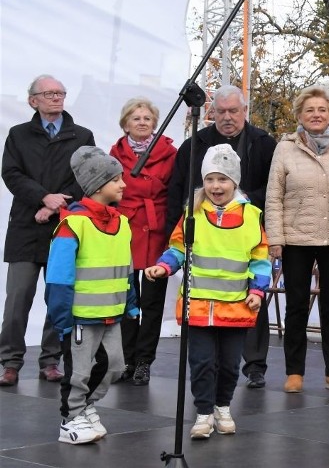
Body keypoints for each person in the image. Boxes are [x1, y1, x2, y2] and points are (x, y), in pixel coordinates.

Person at [146, 144, 271, 440]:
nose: (216, 186)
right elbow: (177, 248)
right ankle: (203, 413)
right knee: (201, 363)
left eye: (223, 179)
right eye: (211, 179)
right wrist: (164, 267)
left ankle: (222, 407)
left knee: (229, 365)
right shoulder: (193, 214)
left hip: (236, 307)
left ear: (234, 182)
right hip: (198, 306)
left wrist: (257, 290)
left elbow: (260, 258)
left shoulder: (251, 216)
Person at [166, 85, 276, 389]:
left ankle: (255, 365)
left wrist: (241, 200)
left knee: (253, 297)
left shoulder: (264, 143)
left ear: (245, 111)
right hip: (205, 234)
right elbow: (179, 189)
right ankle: (209, 364)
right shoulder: (194, 145)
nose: (227, 117)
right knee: (206, 301)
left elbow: (275, 188)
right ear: (211, 112)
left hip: (248, 231)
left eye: (234, 111)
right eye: (221, 111)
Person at [0, 74, 95, 386]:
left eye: (61, 92)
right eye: (50, 93)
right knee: (17, 300)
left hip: (63, 227)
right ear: (33, 100)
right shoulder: (18, 135)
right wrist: (42, 197)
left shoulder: (82, 136)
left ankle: (50, 361)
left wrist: (53, 205)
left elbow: (85, 177)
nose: (57, 98)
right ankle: (10, 362)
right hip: (26, 228)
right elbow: (11, 173)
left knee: (58, 299)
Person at [46, 146, 139, 444]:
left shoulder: (122, 223)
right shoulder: (73, 224)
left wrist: (131, 304)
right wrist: (61, 319)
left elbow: (127, 269)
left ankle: (85, 407)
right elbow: (59, 278)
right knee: (78, 373)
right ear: (98, 186)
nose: (123, 184)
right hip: (80, 318)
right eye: (116, 180)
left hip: (112, 313)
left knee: (114, 365)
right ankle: (70, 419)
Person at [265, 86, 329, 394]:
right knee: (296, 307)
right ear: (300, 116)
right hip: (295, 240)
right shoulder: (285, 148)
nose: (316, 115)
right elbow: (273, 196)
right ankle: (294, 372)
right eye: (310, 110)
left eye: (322, 110)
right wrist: (275, 238)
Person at [110, 98, 176, 386]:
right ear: (125, 123)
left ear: (155, 123)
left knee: (151, 301)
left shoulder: (170, 152)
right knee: (126, 299)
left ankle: (143, 362)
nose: (141, 122)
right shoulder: (114, 153)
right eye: (135, 118)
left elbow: (173, 189)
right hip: (125, 227)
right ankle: (125, 359)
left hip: (156, 227)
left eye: (147, 118)